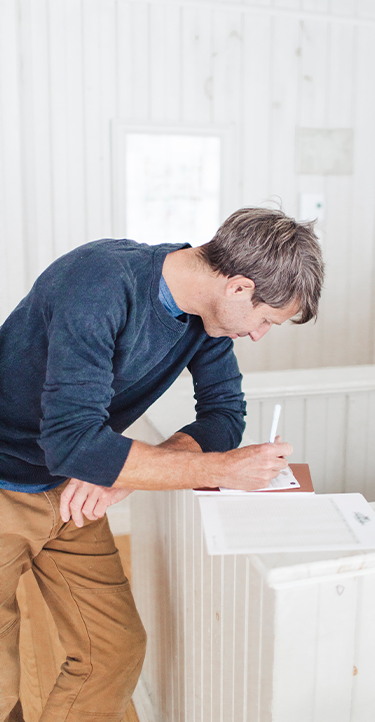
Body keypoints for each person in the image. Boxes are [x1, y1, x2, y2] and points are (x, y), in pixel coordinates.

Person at [0, 206, 324, 722]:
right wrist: (218, 471)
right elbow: (71, 441)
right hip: (6, 480)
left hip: (73, 492)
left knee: (114, 650)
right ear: (239, 287)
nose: (260, 335)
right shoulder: (101, 281)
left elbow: (225, 413)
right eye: (266, 320)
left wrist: (125, 476)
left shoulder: (207, 321)